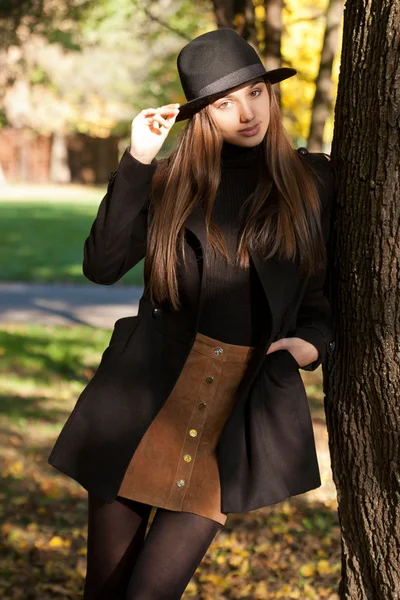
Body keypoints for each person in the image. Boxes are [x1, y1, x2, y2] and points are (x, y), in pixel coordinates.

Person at [48, 28, 336, 599]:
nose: (246, 113)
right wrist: (138, 159)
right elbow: (102, 266)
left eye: (255, 93)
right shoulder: (170, 183)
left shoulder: (314, 183)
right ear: (202, 115)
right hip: (141, 406)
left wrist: (313, 344)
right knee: (105, 591)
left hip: (235, 412)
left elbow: (324, 298)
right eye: (224, 103)